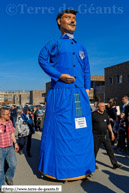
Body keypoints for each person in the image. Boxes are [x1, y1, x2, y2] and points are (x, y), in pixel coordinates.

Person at [38, 9, 95, 181]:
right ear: (59, 22)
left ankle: (83, 167)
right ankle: (56, 170)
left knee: (81, 129)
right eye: (68, 18)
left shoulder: (81, 46)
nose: (72, 21)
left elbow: (86, 68)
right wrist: (58, 75)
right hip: (61, 94)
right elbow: (42, 59)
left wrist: (86, 88)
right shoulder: (53, 43)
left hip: (79, 94)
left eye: (74, 18)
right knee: (61, 130)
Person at [92, 102, 122, 169]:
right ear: (98, 107)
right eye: (102, 106)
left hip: (105, 135)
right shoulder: (93, 114)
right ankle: (92, 164)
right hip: (96, 136)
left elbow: (108, 124)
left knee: (110, 150)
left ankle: (115, 164)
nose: (103, 107)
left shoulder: (105, 114)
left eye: (104, 106)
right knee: (95, 151)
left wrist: (112, 133)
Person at [0, 107, 19, 191]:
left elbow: (12, 133)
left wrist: (15, 143)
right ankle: (2, 184)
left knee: (13, 164)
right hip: (0, 149)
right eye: (7, 114)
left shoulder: (10, 122)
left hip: (10, 147)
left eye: (9, 114)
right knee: (0, 168)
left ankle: (9, 176)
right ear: (2, 115)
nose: (9, 115)